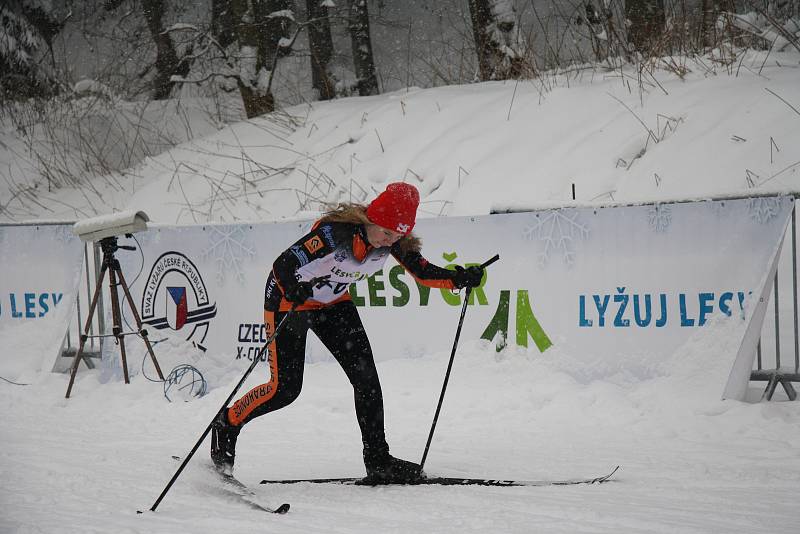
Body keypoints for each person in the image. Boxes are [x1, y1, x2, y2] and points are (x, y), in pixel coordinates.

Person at [210, 182, 484, 484]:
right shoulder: (334, 235)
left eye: (396, 235)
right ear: (371, 219)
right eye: (386, 232)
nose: (388, 241)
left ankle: (379, 460)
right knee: (284, 389)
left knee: (367, 380)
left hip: (333, 303)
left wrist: (459, 278)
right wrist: (295, 287)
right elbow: (284, 264)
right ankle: (228, 421)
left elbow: (422, 272)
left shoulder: (393, 241)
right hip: (291, 300)